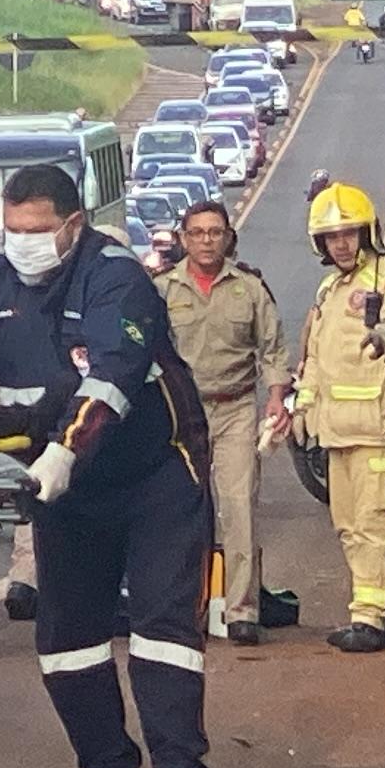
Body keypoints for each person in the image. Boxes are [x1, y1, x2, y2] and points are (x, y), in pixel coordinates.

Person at [0, 162, 219, 768]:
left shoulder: (116, 277)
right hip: (64, 489)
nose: (23, 240)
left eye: (39, 229)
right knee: (66, 632)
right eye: (13, 228)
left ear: (73, 225)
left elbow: (114, 374)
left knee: (161, 623)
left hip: (154, 474)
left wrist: (66, 448)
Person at [291, 182, 385, 650]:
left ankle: (368, 618)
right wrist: (304, 404)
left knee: (372, 525)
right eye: (332, 236)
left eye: (349, 232)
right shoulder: (329, 288)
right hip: (335, 432)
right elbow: (316, 358)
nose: (341, 242)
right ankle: (380, 616)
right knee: (347, 526)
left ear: (368, 232)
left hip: (378, 430)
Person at [160, 198, 284, 646]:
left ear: (228, 237)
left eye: (215, 232)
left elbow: (271, 351)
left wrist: (275, 400)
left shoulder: (249, 289)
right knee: (178, 513)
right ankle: (180, 608)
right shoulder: (163, 291)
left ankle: (242, 611)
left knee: (238, 510)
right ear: (183, 239)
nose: (207, 240)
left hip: (234, 410)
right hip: (182, 414)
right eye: (197, 233)